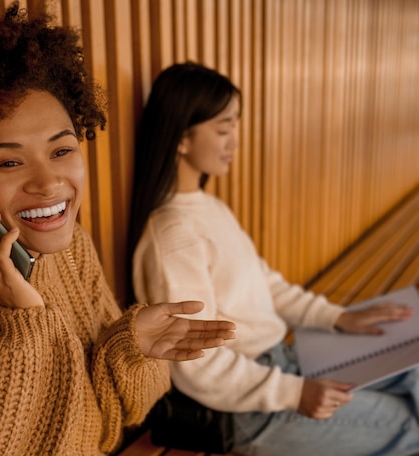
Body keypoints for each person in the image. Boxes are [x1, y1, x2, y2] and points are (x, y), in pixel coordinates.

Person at [0, 9, 237, 456]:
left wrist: (126, 348)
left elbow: (108, 426)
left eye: (62, 150)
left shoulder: (71, 248)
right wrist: (25, 322)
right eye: (9, 162)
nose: (48, 182)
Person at [128, 62, 419, 456]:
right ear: (181, 138)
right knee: (408, 426)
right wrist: (294, 392)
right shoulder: (173, 236)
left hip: (288, 362)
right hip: (252, 405)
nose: (234, 140)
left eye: (236, 125)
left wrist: (336, 317)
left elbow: (265, 282)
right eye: (223, 127)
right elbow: (197, 365)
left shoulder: (208, 208)